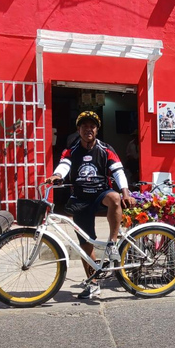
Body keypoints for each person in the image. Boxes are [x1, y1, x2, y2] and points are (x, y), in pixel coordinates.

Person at [45, 111, 136, 299]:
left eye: (92, 126)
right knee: (85, 245)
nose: (88, 129)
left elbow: (118, 171)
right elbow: (65, 164)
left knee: (115, 198)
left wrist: (126, 192)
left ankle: (112, 243)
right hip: (80, 199)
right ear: (78, 129)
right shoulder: (72, 149)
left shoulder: (105, 149)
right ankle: (93, 283)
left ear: (97, 130)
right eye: (84, 126)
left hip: (100, 194)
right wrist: (57, 175)